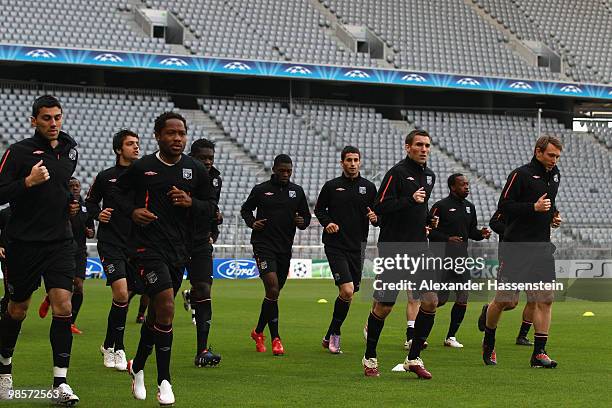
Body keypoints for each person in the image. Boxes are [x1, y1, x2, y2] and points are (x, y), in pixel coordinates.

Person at [115, 112, 217, 405]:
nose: (177, 138)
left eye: (181, 133)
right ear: (158, 135)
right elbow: (117, 194)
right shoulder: (143, 167)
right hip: (147, 249)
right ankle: (165, 381)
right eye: (171, 133)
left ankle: (138, 366)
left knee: (160, 315)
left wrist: (191, 202)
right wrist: (133, 212)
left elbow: (211, 207)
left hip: (179, 251)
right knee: (168, 308)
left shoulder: (195, 169)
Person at [0, 95, 80, 404]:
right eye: (46, 118)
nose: (53, 123)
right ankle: (4, 366)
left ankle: (60, 383)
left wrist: (69, 205)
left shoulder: (69, 150)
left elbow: (60, 188)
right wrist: (28, 183)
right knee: (17, 310)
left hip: (60, 242)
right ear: (34, 120)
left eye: (57, 117)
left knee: (63, 305)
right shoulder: (18, 153)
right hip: (24, 244)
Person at [362, 129, 437, 379]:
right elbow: (380, 206)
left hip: (419, 247)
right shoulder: (397, 173)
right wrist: (409, 200)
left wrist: (428, 220)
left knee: (430, 301)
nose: (424, 149)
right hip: (394, 247)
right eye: (419, 145)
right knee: (384, 306)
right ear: (408, 147)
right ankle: (370, 357)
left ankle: (413, 358)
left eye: (427, 145)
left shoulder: (429, 175)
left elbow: (419, 208)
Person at [482, 135, 563, 368]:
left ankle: (539, 353)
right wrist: (534, 208)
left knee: (545, 298)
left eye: (557, 156)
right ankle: (489, 340)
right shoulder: (521, 175)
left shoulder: (555, 175)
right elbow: (504, 206)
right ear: (538, 152)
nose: (554, 160)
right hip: (516, 246)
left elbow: (549, 202)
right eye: (550, 155)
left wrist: (553, 216)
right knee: (505, 301)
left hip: (542, 247)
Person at [241, 154, 311, 356]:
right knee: (272, 289)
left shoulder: (296, 192)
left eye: (289, 171)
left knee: (274, 293)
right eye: (282, 170)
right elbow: (246, 210)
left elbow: (305, 216)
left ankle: (258, 331)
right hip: (263, 246)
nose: (285, 174)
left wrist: (302, 222)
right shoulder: (261, 190)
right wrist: (252, 222)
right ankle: (276, 339)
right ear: (274, 169)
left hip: (284, 248)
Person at [85, 129, 140, 371]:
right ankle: (118, 348)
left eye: (137, 143)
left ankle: (108, 343)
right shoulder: (105, 177)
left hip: (137, 244)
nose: (136, 147)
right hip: (111, 242)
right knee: (120, 294)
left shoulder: (145, 176)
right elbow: (89, 201)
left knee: (126, 296)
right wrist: (98, 214)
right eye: (130, 144)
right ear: (119, 149)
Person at [314, 146, 377, 354]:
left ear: (360, 162)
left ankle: (328, 333)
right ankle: (335, 334)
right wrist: (327, 222)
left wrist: (376, 218)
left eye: (355, 160)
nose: (352, 163)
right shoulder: (332, 186)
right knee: (347, 290)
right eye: (348, 160)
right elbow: (319, 210)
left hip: (357, 246)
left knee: (351, 292)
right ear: (342, 163)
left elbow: (377, 214)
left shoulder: (368, 188)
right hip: (335, 245)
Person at [428, 173, 491, 348]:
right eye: (462, 184)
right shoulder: (440, 207)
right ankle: (416, 333)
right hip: (442, 259)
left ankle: (451, 337)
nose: (467, 187)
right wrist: (447, 239)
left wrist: (481, 234)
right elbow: (429, 232)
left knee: (463, 297)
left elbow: (471, 232)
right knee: (438, 300)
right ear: (452, 187)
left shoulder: (470, 207)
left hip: (461, 260)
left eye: (467, 184)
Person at [182, 138, 223, 367]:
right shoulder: (180, 172)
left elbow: (211, 207)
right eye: (203, 157)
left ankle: (202, 351)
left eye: (211, 158)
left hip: (200, 242)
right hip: (175, 241)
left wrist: (214, 226)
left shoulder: (215, 179)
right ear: (192, 157)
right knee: (162, 297)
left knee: (205, 289)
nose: (207, 162)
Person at [39, 178, 96, 335]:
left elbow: (91, 228)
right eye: (71, 186)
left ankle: (71, 322)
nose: (75, 188)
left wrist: (90, 232)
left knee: (78, 285)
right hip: (63, 249)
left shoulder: (85, 207)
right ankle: (51, 298)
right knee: (68, 283)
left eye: (77, 186)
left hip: (80, 251)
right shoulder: (61, 205)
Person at [477, 209, 535, 346]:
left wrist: (553, 220)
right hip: (511, 257)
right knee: (510, 302)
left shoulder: (539, 203)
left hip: (533, 257)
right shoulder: (510, 204)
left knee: (534, 297)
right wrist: (514, 232)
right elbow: (494, 223)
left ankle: (522, 336)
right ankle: (489, 311)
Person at [0, 207, 11, 315]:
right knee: (10, 290)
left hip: (26, 258)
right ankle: (5, 315)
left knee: (21, 292)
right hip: (7, 256)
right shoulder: (5, 213)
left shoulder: (29, 212)